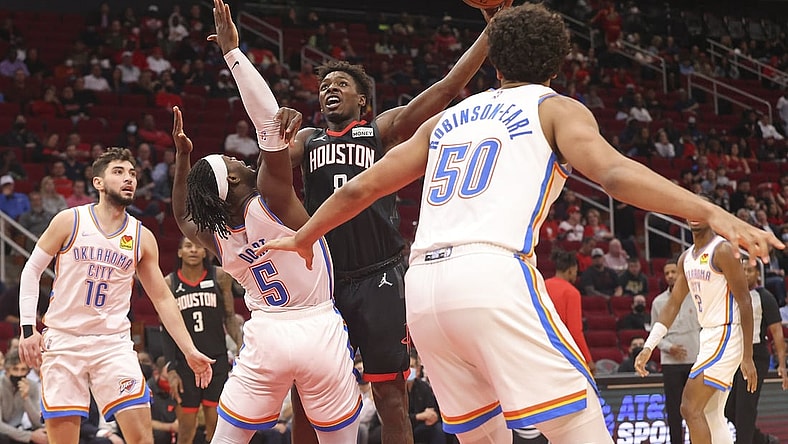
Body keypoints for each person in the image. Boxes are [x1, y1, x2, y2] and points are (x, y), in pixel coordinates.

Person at [262, 3, 783, 442]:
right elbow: (616, 175)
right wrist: (710, 210)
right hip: (490, 272)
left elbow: (362, 187)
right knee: (581, 423)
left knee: (481, 434)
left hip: (422, 291)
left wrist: (304, 237)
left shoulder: (450, 119)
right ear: (556, 63)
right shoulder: (555, 107)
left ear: (496, 65)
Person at [286, 3, 512, 443]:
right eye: (324, 85)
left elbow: (446, 89)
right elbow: (268, 172)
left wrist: (492, 29)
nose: (329, 88)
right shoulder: (305, 140)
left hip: (379, 278)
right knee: (305, 399)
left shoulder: (380, 131)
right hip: (324, 281)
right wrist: (271, 134)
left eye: (341, 84)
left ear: (362, 101)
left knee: (391, 398)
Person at [171, 3, 360, 442]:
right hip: (317, 328)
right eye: (234, 162)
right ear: (235, 179)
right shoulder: (271, 199)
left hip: (266, 336)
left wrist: (182, 158)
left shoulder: (220, 238)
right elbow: (269, 125)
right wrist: (234, 54)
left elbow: (182, 214)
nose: (241, 159)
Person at [17, 147, 214, 444]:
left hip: (112, 345)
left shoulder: (141, 236)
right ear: (98, 182)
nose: (129, 179)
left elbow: (162, 298)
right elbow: (31, 271)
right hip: (63, 340)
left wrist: (189, 350)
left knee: (141, 440)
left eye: (133, 174)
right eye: (119, 172)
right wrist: (27, 330)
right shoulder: (69, 221)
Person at [636, 217, 757, 444]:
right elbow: (673, 304)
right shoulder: (686, 258)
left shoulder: (722, 250)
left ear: (710, 216)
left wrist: (747, 356)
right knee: (710, 414)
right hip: (709, 335)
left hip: (726, 332)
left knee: (689, 406)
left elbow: (745, 300)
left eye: (700, 209)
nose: (694, 214)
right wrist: (649, 345)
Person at [161, 236, 242, 444]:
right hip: (185, 364)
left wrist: (243, 349)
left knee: (217, 429)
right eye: (187, 246)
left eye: (198, 246)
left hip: (216, 360)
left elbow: (230, 317)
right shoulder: (170, 283)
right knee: (186, 431)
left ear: (206, 252)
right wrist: (171, 368)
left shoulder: (220, 276)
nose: (193, 250)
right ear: (179, 253)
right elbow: (166, 329)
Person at [724, 260, 787, 444]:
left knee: (745, 409)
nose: (745, 273)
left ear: (757, 274)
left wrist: (782, 365)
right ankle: (762, 439)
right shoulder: (731, 294)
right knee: (728, 409)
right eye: (741, 270)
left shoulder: (764, 297)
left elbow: (777, 332)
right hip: (734, 355)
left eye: (749, 270)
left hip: (756, 355)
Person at [650, 257, 700, 444]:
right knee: (674, 409)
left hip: (695, 360)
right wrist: (669, 348)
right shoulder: (658, 302)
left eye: (674, 272)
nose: (670, 276)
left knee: (696, 409)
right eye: (667, 273)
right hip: (670, 363)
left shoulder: (696, 298)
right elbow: (654, 334)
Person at [544, 250, 595, 374]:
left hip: (541, 346)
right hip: (561, 352)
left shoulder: (541, 285)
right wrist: (588, 360)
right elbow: (575, 331)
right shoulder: (572, 293)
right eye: (576, 272)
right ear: (571, 270)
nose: (575, 276)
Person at [0, 348, 48, 444]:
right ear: (7, 369)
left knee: (44, 433)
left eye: (23, 370)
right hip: (3, 433)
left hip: (19, 429)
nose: (19, 374)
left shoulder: (32, 386)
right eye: (15, 369)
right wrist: (29, 436)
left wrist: (25, 397)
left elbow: (38, 423)